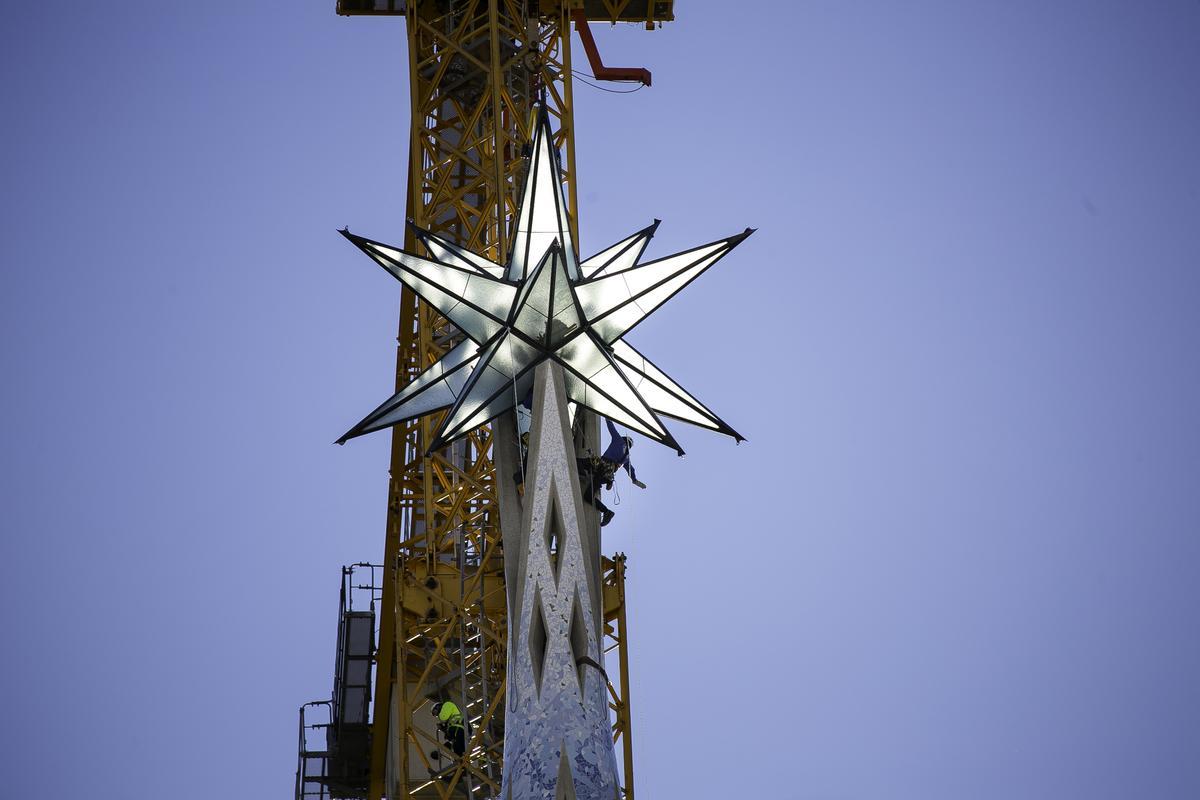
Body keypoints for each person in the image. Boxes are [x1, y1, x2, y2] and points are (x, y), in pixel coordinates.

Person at [576, 419, 647, 527]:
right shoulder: (626, 458)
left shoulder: (618, 440)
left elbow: (610, 426)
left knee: (579, 461)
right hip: (606, 475)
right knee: (588, 496)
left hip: (600, 466)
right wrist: (634, 480)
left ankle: (583, 472)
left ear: (624, 439)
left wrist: (606, 414)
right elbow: (631, 470)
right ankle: (607, 512)